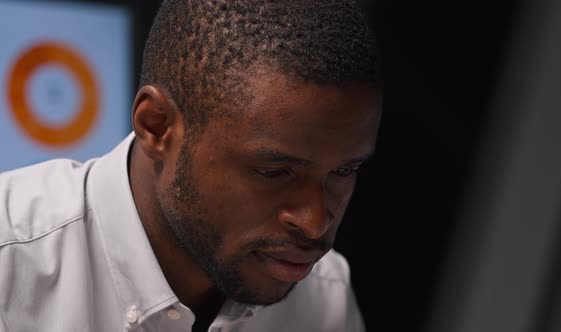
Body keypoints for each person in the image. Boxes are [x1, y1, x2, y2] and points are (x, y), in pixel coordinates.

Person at [0, 0, 381, 331]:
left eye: (343, 172)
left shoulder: (325, 296)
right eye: (274, 172)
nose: (315, 222)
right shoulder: (10, 267)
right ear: (157, 126)